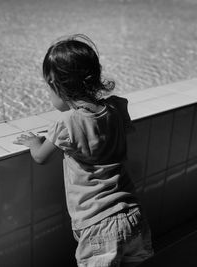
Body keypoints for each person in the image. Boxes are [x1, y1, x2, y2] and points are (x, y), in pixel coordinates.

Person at [14, 34, 154, 267]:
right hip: (133, 214)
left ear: (56, 84)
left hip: (96, 224)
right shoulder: (117, 108)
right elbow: (123, 131)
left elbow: (40, 157)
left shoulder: (66, 123)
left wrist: (33, 142)